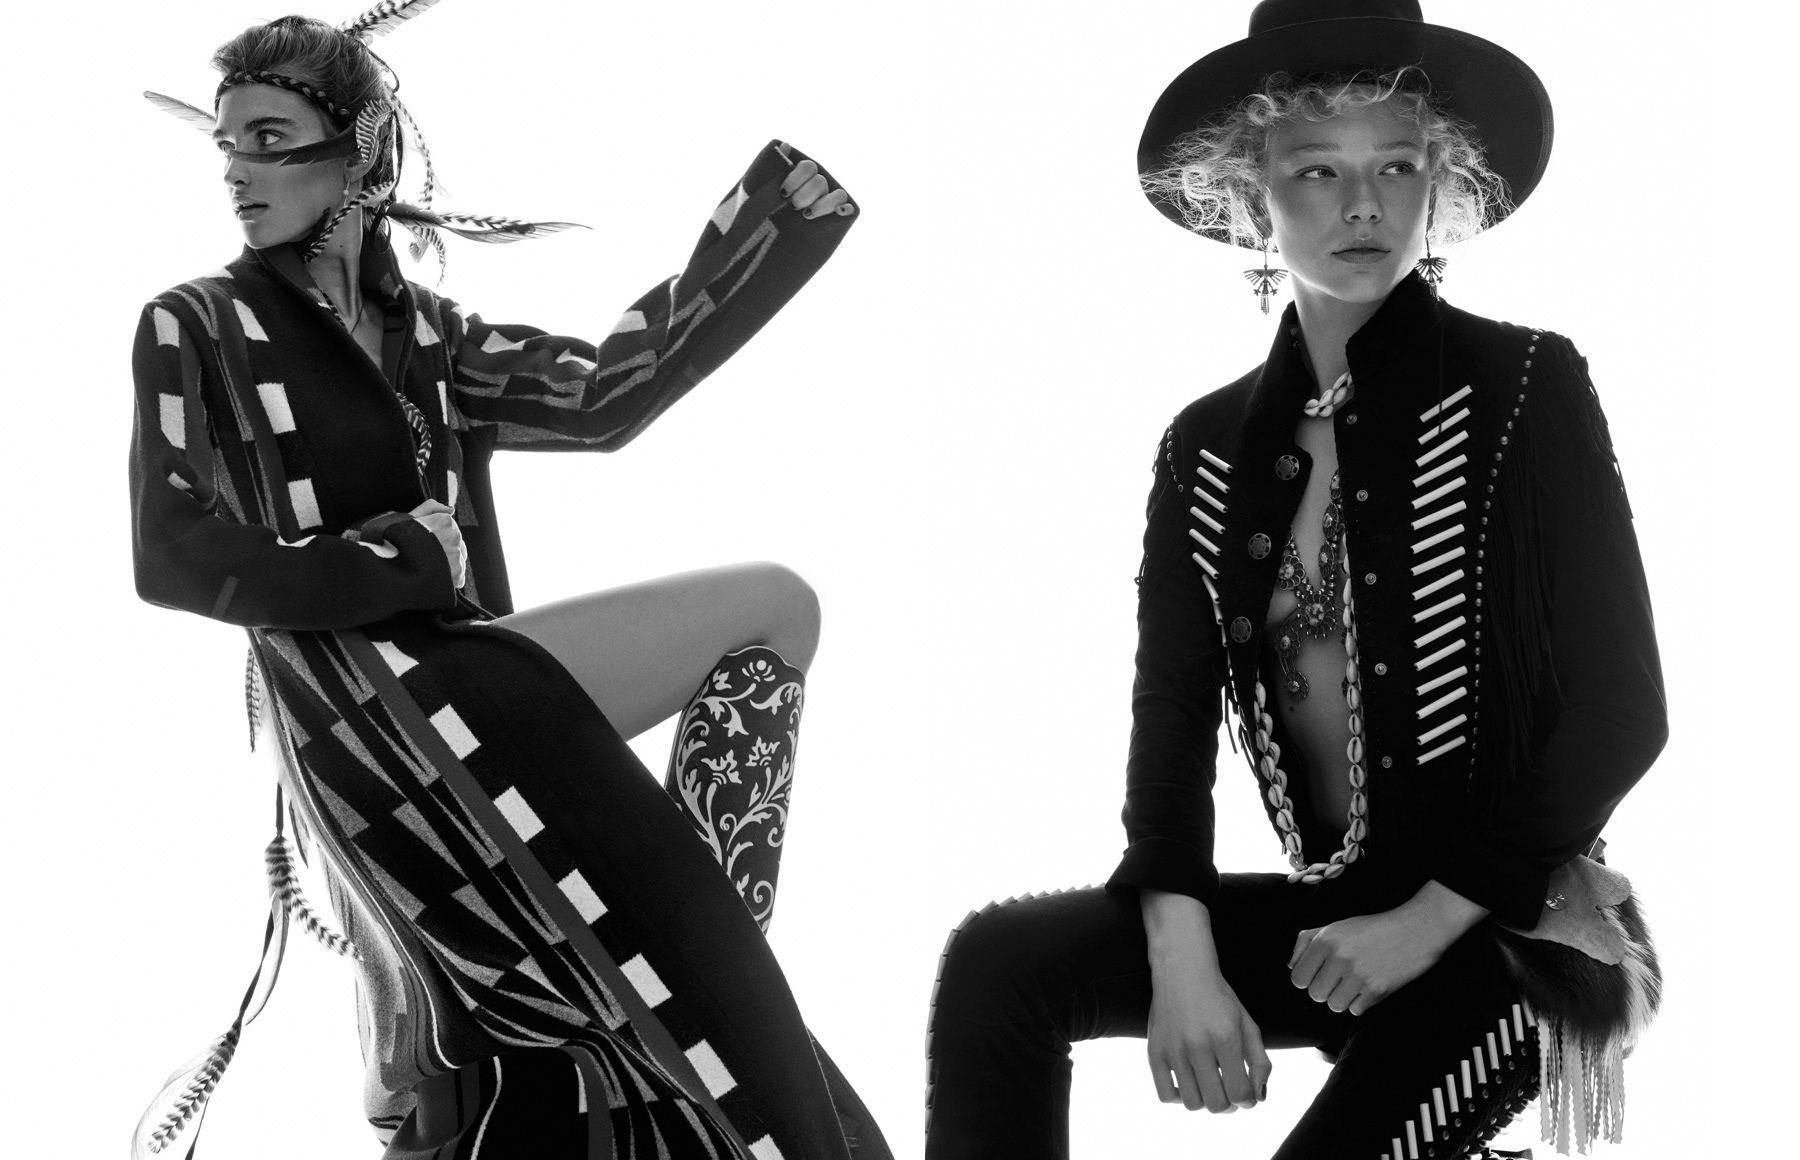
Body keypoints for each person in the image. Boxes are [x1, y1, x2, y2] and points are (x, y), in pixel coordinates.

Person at [128, 4, 885, 1158]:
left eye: (269, 138)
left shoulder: (435, 340)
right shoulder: (195, 322)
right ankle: (701, 945)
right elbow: (171, 551)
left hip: (462, 691)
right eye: (227, 144)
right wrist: (391, 561)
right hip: (361, 708)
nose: (236, 169)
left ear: (360, 153)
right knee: (776, 604)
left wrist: (777, 216)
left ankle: (701, 940)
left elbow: (610, 394)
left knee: (774, 622)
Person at [924, 3, 1665, 1158]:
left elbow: (1623, 709)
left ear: (1438, 181)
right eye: (1318, 169)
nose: (1363, 204)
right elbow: (1169, 721)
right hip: (1331, 925)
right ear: (1249, 190)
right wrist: (1182, 958)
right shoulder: (1205, 448)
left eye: (1397, 165)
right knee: (1001, 964)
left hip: (1514, 930)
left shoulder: (1526, 382)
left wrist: (1424, 922)